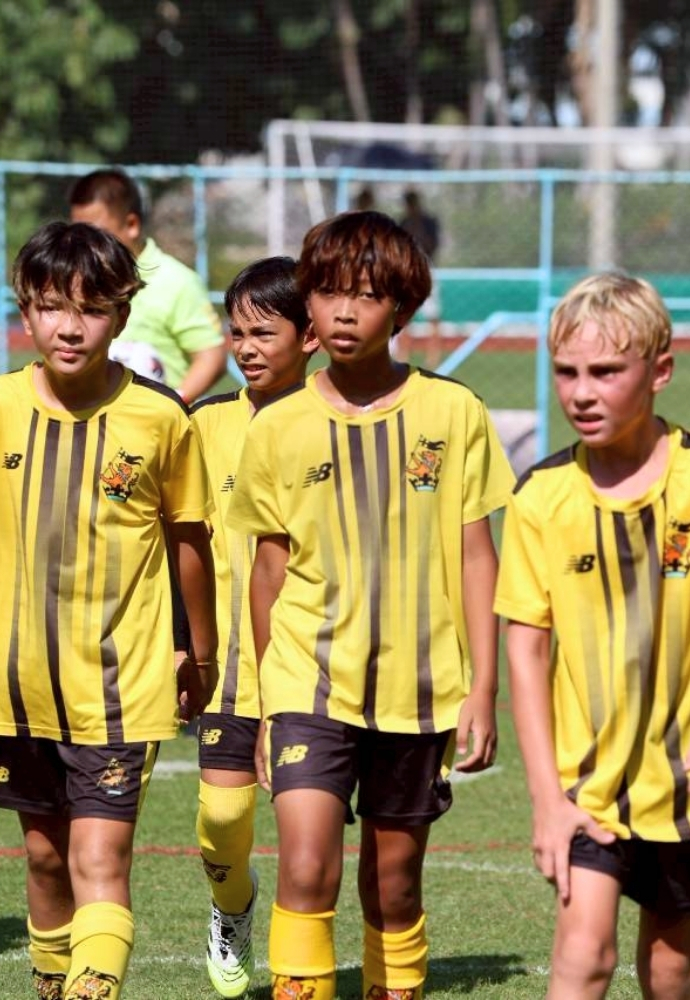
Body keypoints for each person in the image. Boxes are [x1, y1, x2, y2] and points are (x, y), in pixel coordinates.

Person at [226, 210, 514, 1000]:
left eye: (365, 295)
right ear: (307, 307)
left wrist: (482, 690)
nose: (344, 311)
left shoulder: (452, 413)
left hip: (419, 689)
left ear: (403, 309)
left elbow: (476, 553)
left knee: (393, 884)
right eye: (326, 292)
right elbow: (267, 571)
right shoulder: (278, 426)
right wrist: (263, 703)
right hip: (307, 682)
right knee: (307, 863)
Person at [495, 272, 690, 999]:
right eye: (567, 372)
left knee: (672, 966)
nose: (582, 392)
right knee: (582, 955)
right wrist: (545, 796)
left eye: (606, 372)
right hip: (586, 782)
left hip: (687, 778)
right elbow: (525, 648)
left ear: (661, 371)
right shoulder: (540, 498)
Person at [0, 221, 218, 1000]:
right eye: (52, 305)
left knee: (99, 862)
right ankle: (52, 985)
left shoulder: (159, 420)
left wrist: (203, 650)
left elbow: (189, 540)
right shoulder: (1, 409)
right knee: (45, 859)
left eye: (90, 309)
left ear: (121, 317)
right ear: (25, 311)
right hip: (16, 685)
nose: (69, 326)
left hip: (121, 683)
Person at [192, 257, 318, 998]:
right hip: (230, 668)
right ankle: (231, 905)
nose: (246, 347)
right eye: (235, 332)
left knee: (311, 849)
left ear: (308, 337)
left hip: (312, 667)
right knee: (222, 819)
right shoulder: (205, 425)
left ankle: (306, 970)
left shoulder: (336, 424)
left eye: (264, 332)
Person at [68, 167, 227, 403]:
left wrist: (173, 404)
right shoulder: (74, 280)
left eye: (96, 233)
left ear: (132, 224)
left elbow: (211, 356)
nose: (86, 244)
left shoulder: (177, 281)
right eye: (77, 233)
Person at [398, 189, 443, 367]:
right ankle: (404, 354)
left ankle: (433, 357)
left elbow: (432, 246)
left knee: (432, 316)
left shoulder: (429, 222)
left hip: (426, 267)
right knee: (403, 315)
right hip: (406, 269)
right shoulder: (402, 223)